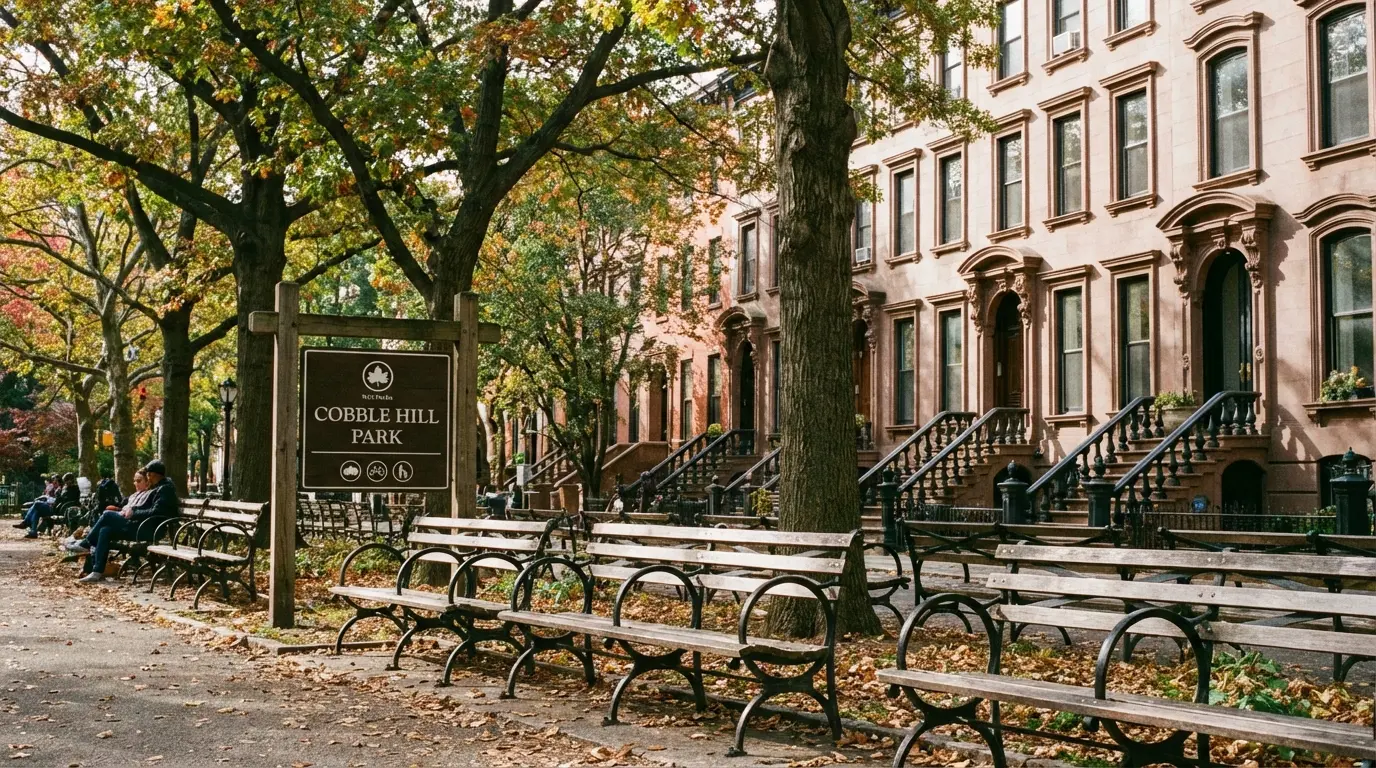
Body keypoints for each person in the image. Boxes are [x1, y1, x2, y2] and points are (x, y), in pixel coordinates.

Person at [66, 461, 178, 583]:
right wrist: (131, 510)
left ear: (154, 475)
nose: (147, 478)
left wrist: (134, 513)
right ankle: (96, 572)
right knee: (105, 530)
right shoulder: (159, 488)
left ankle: (86, 544)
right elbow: (148, 508)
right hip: (141, 525)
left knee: (107, 515)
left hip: (149, 529)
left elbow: (157, 512)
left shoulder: (165, 489)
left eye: (148, 475)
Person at [17, 473, 80, 538]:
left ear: (71, 480)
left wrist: (57, 495)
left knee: (37, 504)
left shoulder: (71, 489)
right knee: (36, 511)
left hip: (56, 509)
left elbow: (61, 500)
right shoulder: (67, 488)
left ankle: (26, 523)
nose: (66, 483)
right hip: (56, 507)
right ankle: (33, 532)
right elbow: (60, 499)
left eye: (67, 481)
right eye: (65, 481)